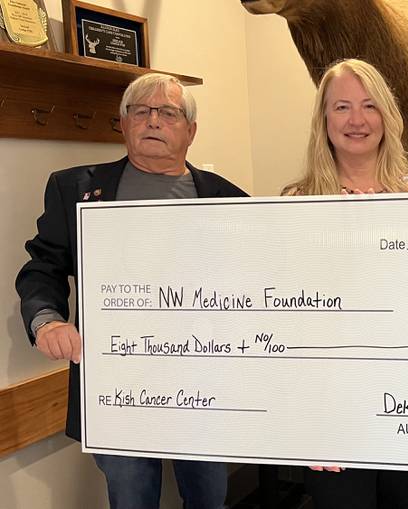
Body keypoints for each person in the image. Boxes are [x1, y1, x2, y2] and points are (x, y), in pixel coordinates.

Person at [16, 73, 247, 509]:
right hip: (117, 389)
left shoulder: (228, 199)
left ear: (190, 131)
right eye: (140, 111)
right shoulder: (76, 190)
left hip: (208, 387)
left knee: (209, 498)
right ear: (123, 124)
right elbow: (42, 267)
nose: (153, 121)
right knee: (131, 499)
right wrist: (46, 320)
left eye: (168, 113)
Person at [283, 58, 408, 508]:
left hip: (406, 396)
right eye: (342, 107)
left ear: (388, 117)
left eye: (369, 106)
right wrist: (305, 419)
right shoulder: (296, 203)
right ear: (323, 120)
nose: (356, 120)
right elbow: (285, 318)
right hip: (329, 403)